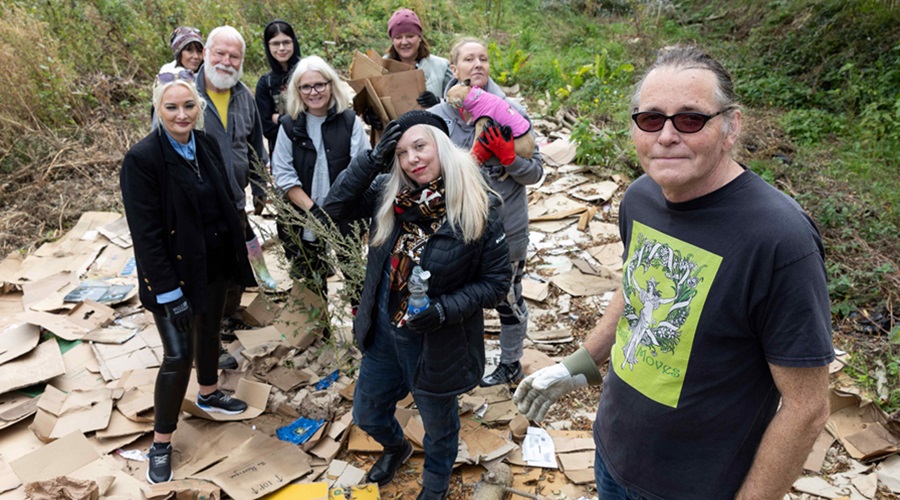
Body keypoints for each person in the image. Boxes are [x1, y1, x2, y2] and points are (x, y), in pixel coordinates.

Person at [513, 45, 834, 499]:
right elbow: (634, 289)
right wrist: (580, 364)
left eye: (690, 119)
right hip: (612, 454)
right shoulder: (642, 196)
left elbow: (806, 408)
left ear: (731, 126)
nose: (666, 136)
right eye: (650, 119)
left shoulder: (780, 241)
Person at [323, 111, 511, 500]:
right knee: (367, 414)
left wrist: (442, 310)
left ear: (442, 147)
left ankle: (435, 486)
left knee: (439, 428)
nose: (412, 158)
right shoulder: (387, 194)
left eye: (420, 146)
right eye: (401, 151)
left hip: (437, 343)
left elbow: (495, 284)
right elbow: (336, 206)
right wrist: (373, 158)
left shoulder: (479, 206)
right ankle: (397, 447)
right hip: (384, 332)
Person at [120, 68, 254, 485]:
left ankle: (210, 393)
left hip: (211, 260)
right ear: (158, 110)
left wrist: (245, 243)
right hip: (171, 273)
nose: (182, 115)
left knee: (210, 329)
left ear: (199, 107)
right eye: (172, 107)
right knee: (178, 354)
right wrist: (168, 292)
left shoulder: (207, 143)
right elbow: (147, 235)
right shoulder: (142, 160)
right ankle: (161, 442)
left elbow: (228, 198)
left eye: (189, 105)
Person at [428, 37, 543, 387]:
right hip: (454, 233)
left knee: (508, 298)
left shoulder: (510, 111)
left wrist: (510, 158)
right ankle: (462, 366)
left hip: (506, 229)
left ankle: (510, 363)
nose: (477, 65)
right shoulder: (438, 117)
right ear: (453, 68)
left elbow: (536, 173)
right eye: (468, 59)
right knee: (458, 301)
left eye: (484, 59)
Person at [197, 25, 276, 335]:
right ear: (205, 53)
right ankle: (203, 328)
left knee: (236, 262)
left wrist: (259, 189)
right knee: (204, 268)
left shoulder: (243, 96)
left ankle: (227, 315)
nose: (226, 61)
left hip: (234, 200)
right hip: (198, 206)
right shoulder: (186, 96)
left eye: (234, 56)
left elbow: (256, 146)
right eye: (220, 53)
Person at [270, 55, 367, 300]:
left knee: (356, 279)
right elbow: (283, 173)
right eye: (306, 86)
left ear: (330, 84)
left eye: (319, 85)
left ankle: (362, 332)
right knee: (311, 282)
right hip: (304, 215)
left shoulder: (349, 121)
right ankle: (319, 336)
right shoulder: (289, 126)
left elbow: (361, 167)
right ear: (297, 90)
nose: (313, 92)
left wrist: (338, 208)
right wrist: (314, 211)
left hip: (346, 215)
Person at [256, 20, 301, 161]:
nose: (281, 48)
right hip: (281, 152)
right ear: (268, 46)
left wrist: (280, 119)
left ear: (294, 43)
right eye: (275, 43)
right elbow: (267, 127)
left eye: (286, 42)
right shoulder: (265, 83)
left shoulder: (307, 73)